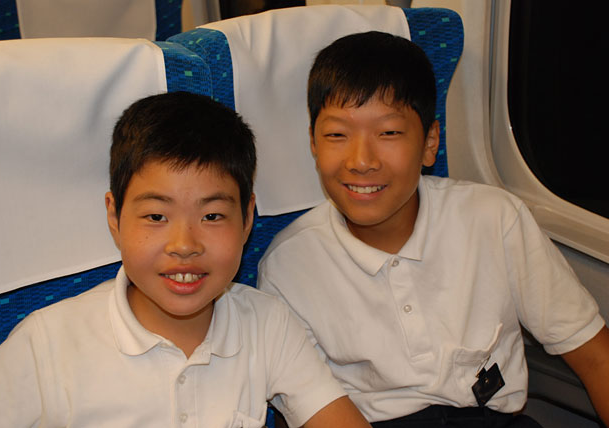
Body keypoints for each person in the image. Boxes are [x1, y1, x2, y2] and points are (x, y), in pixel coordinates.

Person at [258, 31, 609, 427]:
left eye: (389, 133)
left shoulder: (493, 219)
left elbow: (596, 356)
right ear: (313, 143)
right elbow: (313, 409)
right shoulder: (289, 267)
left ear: (429, 143)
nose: (361, 160)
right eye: (337, 135)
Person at [0, 91, 371, 428]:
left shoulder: (266, 325)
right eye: (156, 217)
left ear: (248, 219)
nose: (184, 245)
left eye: (212, 216)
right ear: (115, 217)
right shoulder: (48, 343)